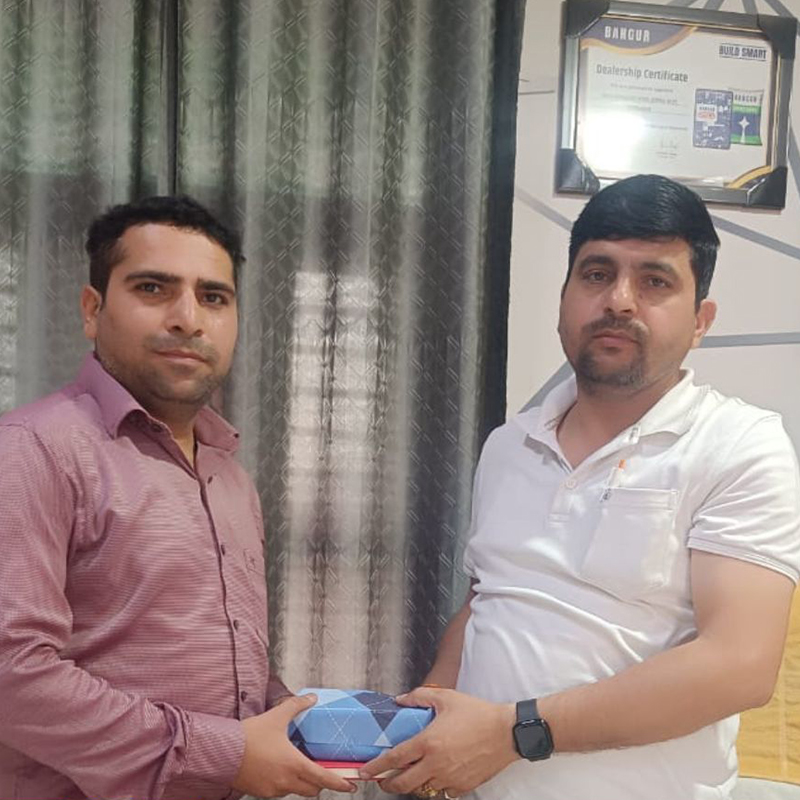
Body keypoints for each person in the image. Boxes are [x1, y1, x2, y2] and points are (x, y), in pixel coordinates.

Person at [360, 174, 800, 800]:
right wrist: (431, 719)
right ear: (564, 299)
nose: (619, 300)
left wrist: (513, 733)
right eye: (597, 274)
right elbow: (488, 599)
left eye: (655, 281)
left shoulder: (739, 444)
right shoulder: (508, 445)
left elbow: (738, 666)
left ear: (701, 321)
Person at [0, 196, 355, 800]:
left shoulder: (229, 476)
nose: (188, 319)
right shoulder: (32, 450)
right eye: (153, 289)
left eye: (213, 297)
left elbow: (221, 657)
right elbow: (13, 672)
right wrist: (227, 754)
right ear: (92, 310)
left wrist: (288, 717)